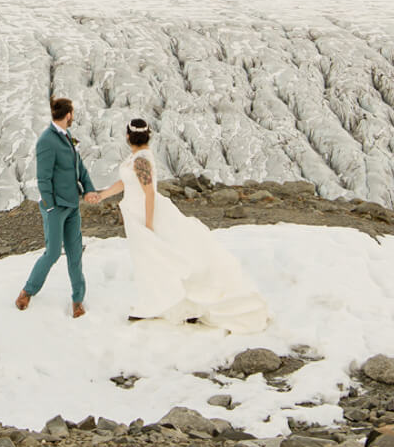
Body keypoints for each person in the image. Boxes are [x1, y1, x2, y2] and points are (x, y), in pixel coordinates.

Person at [88, 117, 269, 332]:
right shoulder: (137, 158)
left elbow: (149, 194)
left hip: (145, 214)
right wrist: (102, 195)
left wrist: (148, 223)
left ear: (128, 136)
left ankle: (168, 304)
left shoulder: (141, 160)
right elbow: (127, 182)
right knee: (152, 259)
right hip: (137, 213)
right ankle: (163, 302)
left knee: (160, 258)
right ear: (148, 136)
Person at [15, 97, 98, 318]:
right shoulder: (46, 141)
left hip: (72, 205)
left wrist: (89, 189)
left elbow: (79, 167)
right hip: (55, 208)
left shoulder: (67, 136)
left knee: (75, 253)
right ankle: (27, 291)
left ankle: (78, 300)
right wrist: (50, 207)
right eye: (73, 112)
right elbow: (43, 178)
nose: (73, 116)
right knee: (52, 253)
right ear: (68, 114)